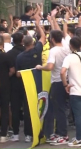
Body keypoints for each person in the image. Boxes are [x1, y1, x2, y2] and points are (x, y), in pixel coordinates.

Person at [36, 30, 71, 145]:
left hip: (57, 81)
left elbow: (50, 66)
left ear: (51, 39)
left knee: (59, 109)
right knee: (59, 107)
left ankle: (63, 135)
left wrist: (40, 67)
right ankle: (58, 132)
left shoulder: (53, 51)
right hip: (66, 80)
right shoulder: (66, 48)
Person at [15, 15, 46, 143]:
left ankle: (28, 134)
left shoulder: (19, 57)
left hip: (26, 87)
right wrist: (38, 24)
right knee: (40, 108)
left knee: (28, 110)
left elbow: (17, 74)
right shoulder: (37, 50)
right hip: (39, 84)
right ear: (33, 42)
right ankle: (39, 132)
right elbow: (43, 37)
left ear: (23, 43)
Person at [7, 32, 25, 142]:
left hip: (14, 83)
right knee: (28, 108)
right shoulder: (27, 52)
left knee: (15, 108)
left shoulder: (9, 54)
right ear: (22, 40)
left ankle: (16, 133)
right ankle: (29, 133)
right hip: (27, 82)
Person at [0, 35, 13, 143]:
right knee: (4, 109)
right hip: (4, 85)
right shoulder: (6, 56)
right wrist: (5, 76)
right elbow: (12, 70)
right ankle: (3, 135)